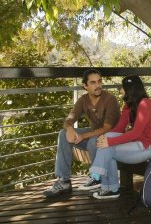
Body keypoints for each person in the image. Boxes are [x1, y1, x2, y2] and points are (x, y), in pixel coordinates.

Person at [79, 75, 151, 199]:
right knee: (106, 143)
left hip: (149, 147)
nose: (120, 90)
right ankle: (108, 187)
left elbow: (135, 133)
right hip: (136, 144)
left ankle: (100, 179)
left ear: (130, 89)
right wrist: (103, 138)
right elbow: (119, 129)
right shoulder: (129, 105)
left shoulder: (145, 104)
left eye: (122, 87)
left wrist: (110, 141)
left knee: (108, 146)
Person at [43, 69, 121, 197]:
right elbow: (69, 119)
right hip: (94, 134)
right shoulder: (83, 100)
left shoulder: (110, 99)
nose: (98, 85)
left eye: (99, 81)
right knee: (63, 134)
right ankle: (64, 181)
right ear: (85, 86)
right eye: (93, 82)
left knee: (92, 141)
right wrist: (69, 128)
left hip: (111, 138)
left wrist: (83, 136)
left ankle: (98, 178)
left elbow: (107, 128)